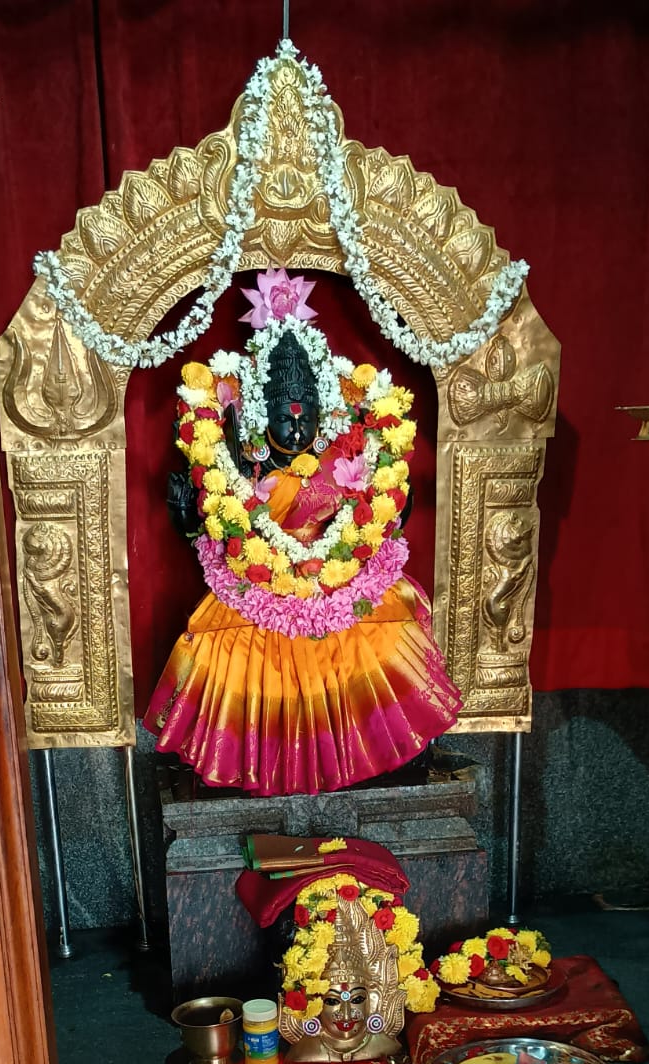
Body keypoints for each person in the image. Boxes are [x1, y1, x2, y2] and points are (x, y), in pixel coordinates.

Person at [144, 270, 461, 796]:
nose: (295, 427)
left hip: (344, 593)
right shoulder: (242, 466)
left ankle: (368, 761)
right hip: (256, 597)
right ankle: (257, 768)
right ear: (260, 417)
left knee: (379, 660)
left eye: (304, 416)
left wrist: (390, 513)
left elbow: (381, 521)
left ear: (322, 412)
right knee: (245, 681)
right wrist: (188, 511)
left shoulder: (344, 460)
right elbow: (212, 533)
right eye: (283, 417)